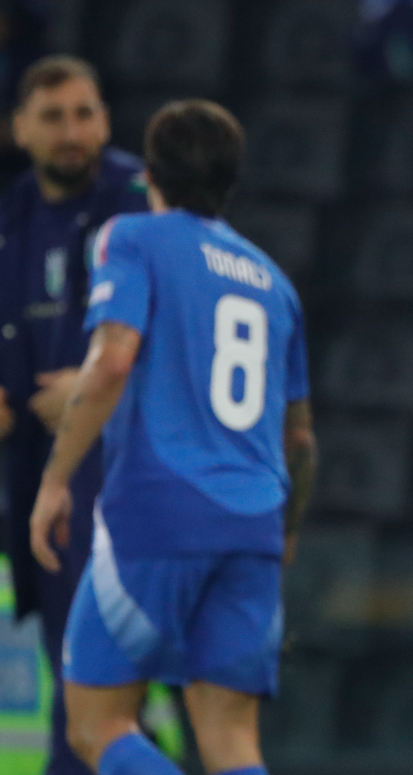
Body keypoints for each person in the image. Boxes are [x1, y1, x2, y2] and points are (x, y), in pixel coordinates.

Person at [26, 99, 316, 775]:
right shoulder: (274, 282)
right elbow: (299, 439)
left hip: (159, 512)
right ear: (231, 181)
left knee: (96, 723)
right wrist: (286, 534)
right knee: (232, 743)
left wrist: (53, 480)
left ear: (149, 174)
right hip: (254, 523)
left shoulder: (131, 238)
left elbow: (111, 361)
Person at [0, 54, 148, 775]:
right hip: (44, 475)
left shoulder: (140, 199)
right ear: (18, 129)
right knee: (76, 686)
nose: (72, 131)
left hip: (129, 476)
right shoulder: (13, 215)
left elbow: (180, 327)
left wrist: (95, 387)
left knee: (108, 699)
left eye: (85, 113)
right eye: (54, 116)